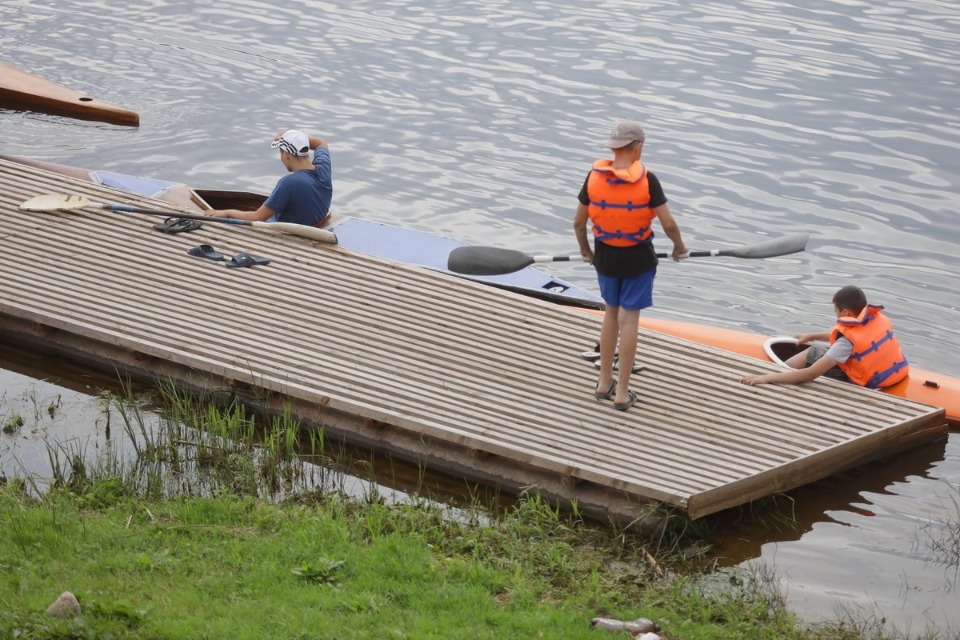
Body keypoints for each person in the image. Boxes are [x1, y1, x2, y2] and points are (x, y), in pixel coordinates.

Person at [573, 121, 688, 411]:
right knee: (630, 320)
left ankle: (603, 383)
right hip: (638, 257)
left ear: (612, 148)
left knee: (610, 315)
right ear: (638, 148)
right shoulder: (648, 180)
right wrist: (679, 247)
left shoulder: (594, 176)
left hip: (605, 256)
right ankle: (622, 393)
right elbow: (669, 223)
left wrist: (586, 250)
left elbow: (578, 222)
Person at [740, 285, 909, 388]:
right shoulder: (874, 319)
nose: (836, 315)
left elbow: (810, 374)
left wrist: (767, 379)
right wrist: (811, 335)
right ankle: (781, 371)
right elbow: (852, 337)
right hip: (891, 374)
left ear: (845, 312)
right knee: (821, 347)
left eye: (836, 311)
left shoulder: (846, 343)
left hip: (863, 383)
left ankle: (778, 372)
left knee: (813, 352)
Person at [206, 129, 332, 226]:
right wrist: (297, 139)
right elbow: (321, 142)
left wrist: (227, 213)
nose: (281, 158)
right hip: (314, 224)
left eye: (280, 153)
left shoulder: (289, 183)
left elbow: (257, 217)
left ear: (287, 155)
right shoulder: (323, 168)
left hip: (286, 233)